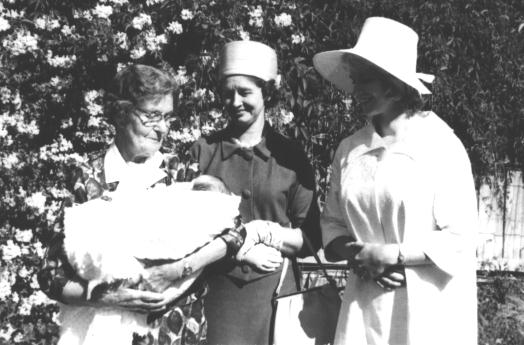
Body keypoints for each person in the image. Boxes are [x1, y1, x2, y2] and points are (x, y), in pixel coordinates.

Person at [37, 64, 246, 345]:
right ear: (121, 113)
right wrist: (109, 296)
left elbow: (234, 233)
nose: (161, 128)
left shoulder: (179, 172)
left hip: (175, 333)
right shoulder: (86, 179)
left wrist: (177, 269)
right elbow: (50, 274)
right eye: (151, 116)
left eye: (167, 118)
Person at [314, 17, 477, 345]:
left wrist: (391, 255)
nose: (357, 91)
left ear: (394, 83)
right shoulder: (349, 150)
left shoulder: (439, 144)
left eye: (366, 80)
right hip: (365, 307)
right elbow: (331, 228)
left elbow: (460, 237)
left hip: (426, 308)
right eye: (354, 80)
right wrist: (359, 255)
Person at [188, 40, 321, 345]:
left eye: (245, 92)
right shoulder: (203, 151)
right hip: (215, 296)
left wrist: (266, 233)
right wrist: (239, 248)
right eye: (227, 93)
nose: (234, 102)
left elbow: (311, 237)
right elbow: (185, 231)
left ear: (267, 93)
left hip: (276, 297)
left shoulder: (290, 156)